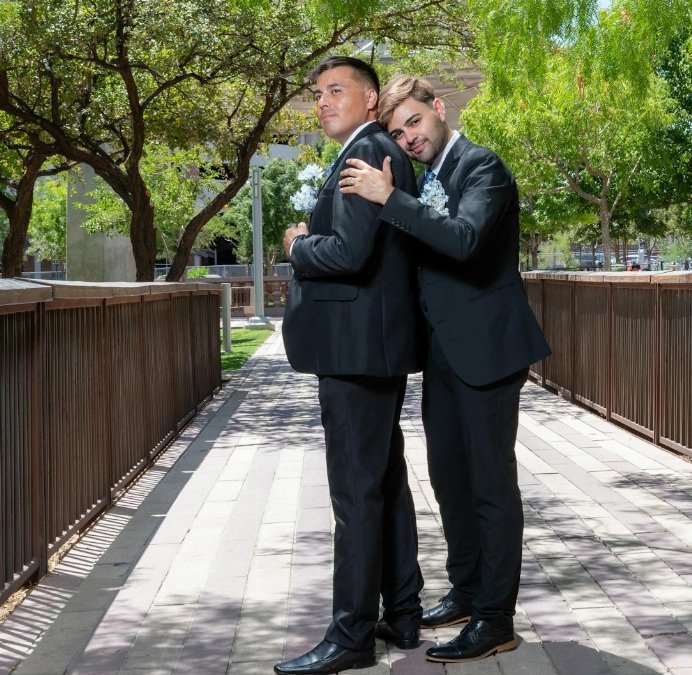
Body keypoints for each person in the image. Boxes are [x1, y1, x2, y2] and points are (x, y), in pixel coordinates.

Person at [338, 75, 550, 664]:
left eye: (413, 122)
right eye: (397, 131)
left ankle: (495, 619)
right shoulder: (427, 178)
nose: (407, 137)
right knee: (449, 479)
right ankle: (465, 589)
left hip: (488, 351)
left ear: (438, 108)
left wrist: (388, 199)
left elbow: (462, 240)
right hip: (443, 355)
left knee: (490, 487)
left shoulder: (483, 168)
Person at [275, 56, 425, 675]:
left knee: (355, 495)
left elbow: (351, 253)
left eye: (336, 90)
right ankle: (404, 613)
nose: (322, 101)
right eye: (318, 93)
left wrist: (297, 245)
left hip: (357, 350)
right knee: (383, 483)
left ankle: (352, 635)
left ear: (369, 101)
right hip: (368, 348)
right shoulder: (369, 150)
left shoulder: (368, 154)